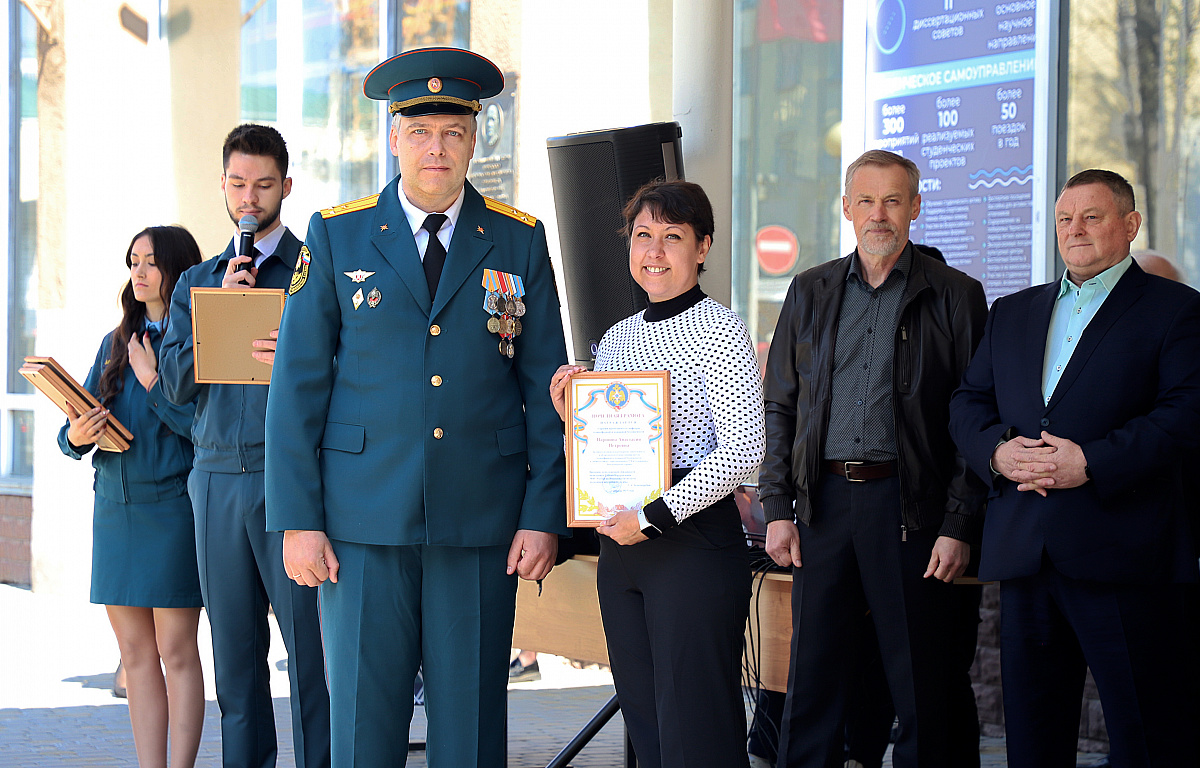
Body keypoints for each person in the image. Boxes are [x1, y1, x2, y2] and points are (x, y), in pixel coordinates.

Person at [263, 47, 567, 768]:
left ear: (473, 139)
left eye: (454, 132)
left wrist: (541, 512)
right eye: (421, 130)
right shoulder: (336, 236)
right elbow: (297, 389)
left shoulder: (519, 240)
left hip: (481, 523)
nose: (437, 147)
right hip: (362, 525)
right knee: (364, 733)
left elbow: (546, 389)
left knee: (470, 733)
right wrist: (297, 520)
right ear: (394, 137)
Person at [949, 169, 1200, 767]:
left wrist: (1092, 462)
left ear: (1131, 225)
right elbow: (967, 402)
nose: (1075, 229)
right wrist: (997, 452)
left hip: (1125, 551)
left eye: (1092, 216)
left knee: (1147, 734)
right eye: (1065, 218)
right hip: (1025, 553)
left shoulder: (1177, 310)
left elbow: (1186, 413)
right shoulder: (1013, 312)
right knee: (1033, 739)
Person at [759, 149, 988, 768]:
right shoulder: (810, 288)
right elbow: (779, 406)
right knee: (811, 678)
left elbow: (975, 421)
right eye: (866, 200)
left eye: (893, 201)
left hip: (910, 508)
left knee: (919, 682)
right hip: (825, 506)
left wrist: (958, 524)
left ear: (915, 208)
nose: (878, 214)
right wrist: (780, 509)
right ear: (846, 208)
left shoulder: (957, 296)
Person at [550, 179, 766, 768]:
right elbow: (606, 450)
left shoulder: (721, 329)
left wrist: (653, 515)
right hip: (621, 545)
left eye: (672, 237)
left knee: (696, 727)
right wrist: (572, 416)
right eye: (643, 235)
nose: (654, 250)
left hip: (688, 539)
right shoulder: (617, 338)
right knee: (646, 724)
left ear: (703, 247)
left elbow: (744, 451)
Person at [158, 124, 331, 768]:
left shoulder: (317, 270)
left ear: (286, 186)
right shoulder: (198, 280)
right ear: (224, 187)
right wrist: (218, 313)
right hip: (214, 480)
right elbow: (174, 386)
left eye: (263, 184)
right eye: (237, 184)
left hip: (290, 479)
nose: (249, 197)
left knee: (312, 656)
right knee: (234, 658)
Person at [59, 226, 205, 768]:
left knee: (176, 652)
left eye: (150, 262)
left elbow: (203, 429)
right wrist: (78, 434)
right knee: (135, 655)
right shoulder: (116, 342)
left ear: (177, 268)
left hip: (172, 510)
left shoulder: (195, 340)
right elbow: (72, 428)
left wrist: (152, 384)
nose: (138, 273)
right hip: (115, 511)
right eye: (132, 262)